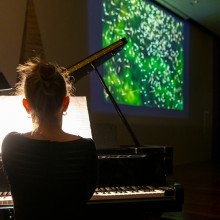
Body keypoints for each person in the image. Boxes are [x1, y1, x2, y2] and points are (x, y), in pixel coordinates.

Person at [1, 56, 98, 220]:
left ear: (26, 105)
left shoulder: (11, 143)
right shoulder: (85, 148)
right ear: (66, 102)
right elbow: (84, 196)